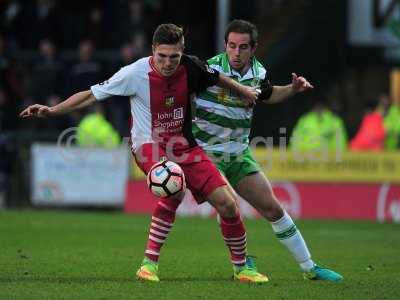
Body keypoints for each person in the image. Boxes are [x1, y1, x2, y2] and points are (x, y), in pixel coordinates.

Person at [20, 23, 268, 283]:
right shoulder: (134, 73)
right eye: (161, 56)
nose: (168, 63)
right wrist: (53, 110)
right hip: (148, 145)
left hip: (184, 145)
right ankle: (149, 264)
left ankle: (242, 269)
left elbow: (216, 77)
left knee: (228, 204)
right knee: (173, 184)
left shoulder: (191, 66)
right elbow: (91, 96)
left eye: (174, 56)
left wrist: (244, 90)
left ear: (182, 52)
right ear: (153, 50)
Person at [193, 19, 343, 281]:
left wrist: (293, 89)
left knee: (273, 208)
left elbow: (269, 94)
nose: (236, 53)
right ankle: (242, 262)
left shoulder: (259, 73)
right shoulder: (210, 69)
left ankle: (310, 268)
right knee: (229, 205)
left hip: (239, 153)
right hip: (207, 153)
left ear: (254, 48)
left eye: (242, 47)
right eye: (231, 46)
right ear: (225, 46)